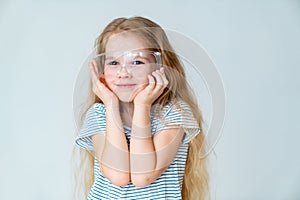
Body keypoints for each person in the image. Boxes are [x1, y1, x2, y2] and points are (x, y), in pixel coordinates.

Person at [73, 16, 209, 200]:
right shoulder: (99, 114)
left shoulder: (173, 113)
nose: (123, 73)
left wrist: (142, 106)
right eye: (113, 63)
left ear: (161, 66)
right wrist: (111, 105)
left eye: (137, 62)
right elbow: (118, 175)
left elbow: (143, 175)